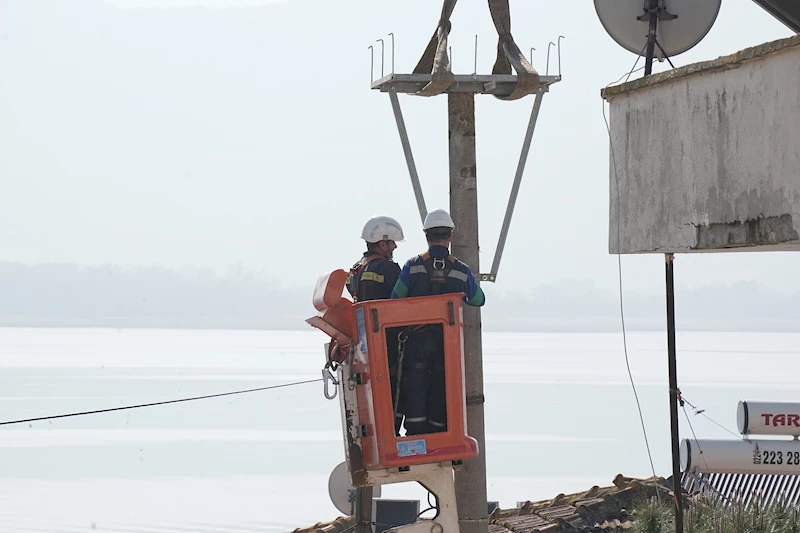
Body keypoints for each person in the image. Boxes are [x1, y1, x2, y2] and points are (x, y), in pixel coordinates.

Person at [391, 209, 485, 436]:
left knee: (416, 387)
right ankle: (440, 434)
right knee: (443, 388)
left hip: (415, 342)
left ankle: (415, 434)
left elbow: (395, 300)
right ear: (450, 236)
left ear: (426, 236)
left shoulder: (412, 266)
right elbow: (478, 299)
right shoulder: (461, 271)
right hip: (447, 346)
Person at [345, 215, 405, 434]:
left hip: (366, 343)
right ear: (382, 243)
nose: (395, 246)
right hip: (387, 342)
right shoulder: (387, 269)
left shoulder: (356, 269)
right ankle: (391, 431)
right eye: (392, 243)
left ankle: (380, 430)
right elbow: (404, 301)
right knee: (395, 390)